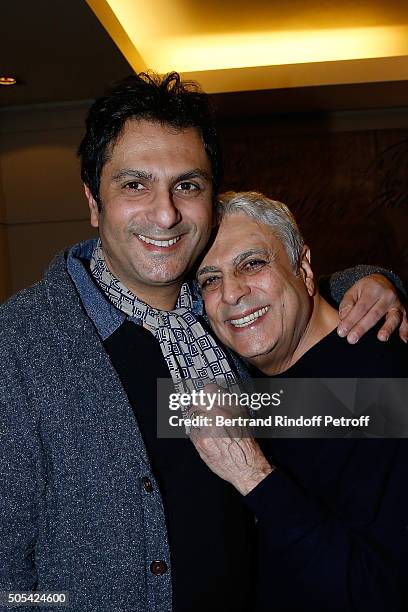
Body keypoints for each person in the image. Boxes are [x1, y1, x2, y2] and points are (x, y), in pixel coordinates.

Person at [0, 73, 406, 612]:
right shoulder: (22, 348)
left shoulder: (218, 318)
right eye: (134, 184)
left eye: (187, 185)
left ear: (210, 202)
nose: (165, 213)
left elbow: (331, 382)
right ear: (94, 203)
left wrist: (372, 284)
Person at [193, 191, 408, 612]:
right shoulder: (237, 376)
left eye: (252, 263)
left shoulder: (383, 382)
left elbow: (383, 593)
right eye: (210, 279)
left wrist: (254, 476)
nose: (232, 293)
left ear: (304, 268)